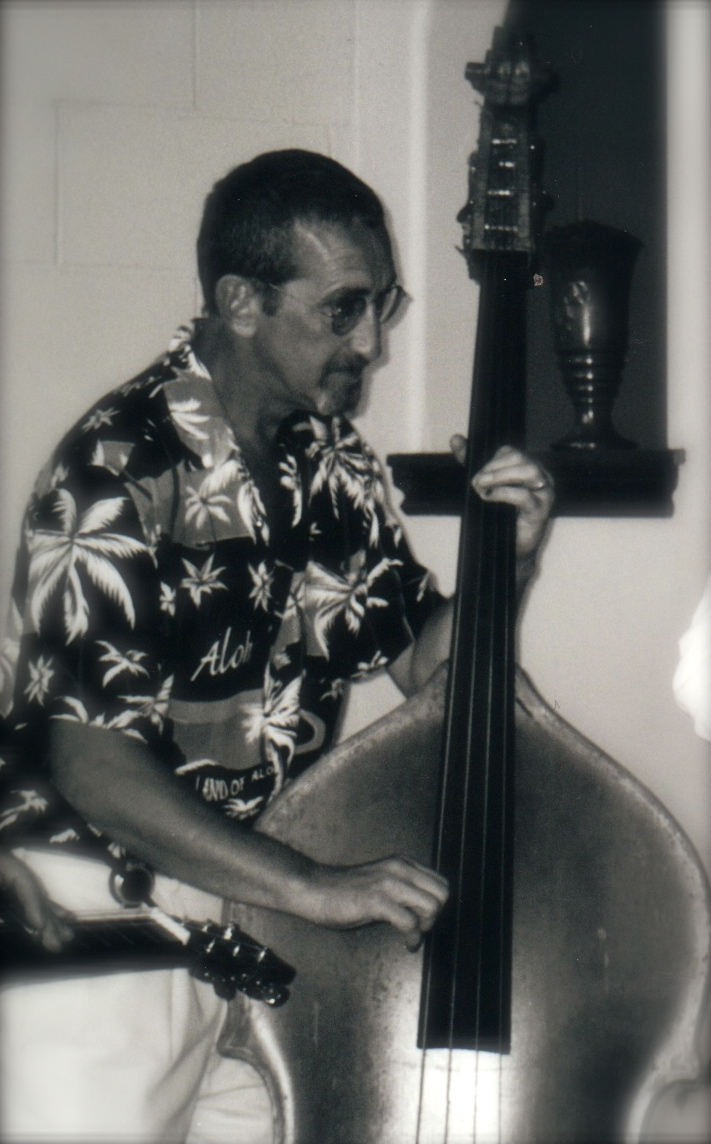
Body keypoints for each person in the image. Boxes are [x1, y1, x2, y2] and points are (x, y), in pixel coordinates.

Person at [0, 149, 553, 1142]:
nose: (372, 343)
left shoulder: (329, 463)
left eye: (382, 305)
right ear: (241, 301)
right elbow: (93, 764)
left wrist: (506, 561)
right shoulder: (115, 467)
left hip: (240, 927)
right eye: (344, 309)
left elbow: (431, 673)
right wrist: (314, 886)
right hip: (92, 937)